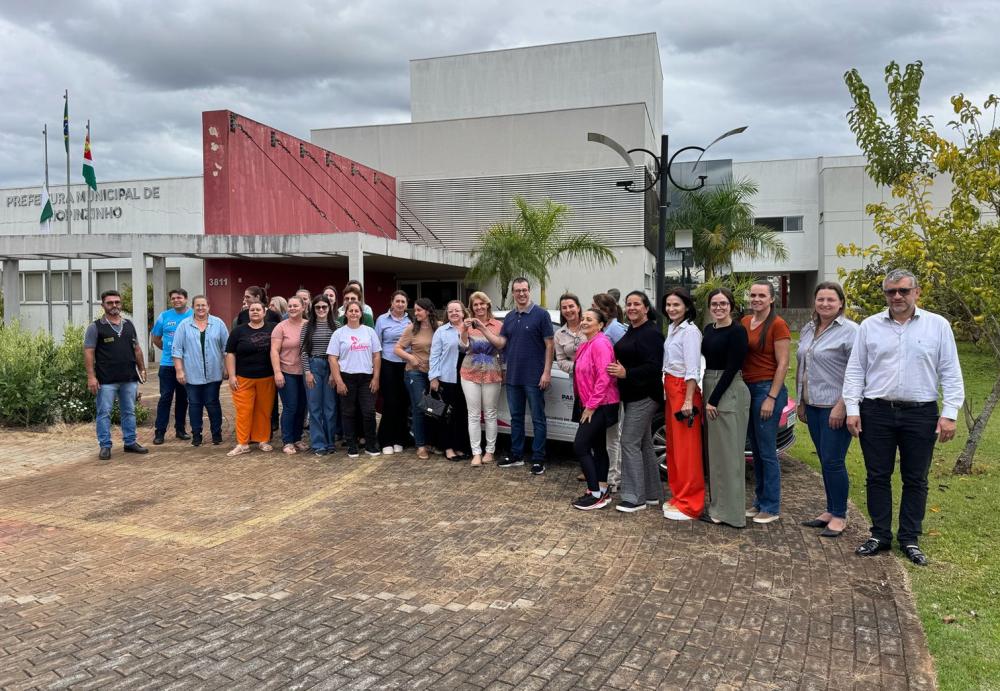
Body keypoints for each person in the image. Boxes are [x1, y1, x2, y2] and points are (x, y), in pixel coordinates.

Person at [844, 269, 964, 566]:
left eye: (903, 291)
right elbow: (856, 370)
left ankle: (909, 538)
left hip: (920, 413)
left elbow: (950, 371)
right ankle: (880, 535)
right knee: (877, 475)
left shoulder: (938, 326)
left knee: (916, 478)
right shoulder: (869, 326)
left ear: (917, 292)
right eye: (891, 291)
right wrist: (852, 408)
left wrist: (950, 413)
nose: (897, 296)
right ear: (885, 294)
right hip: (877, 411)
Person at [796, 282, 859, 538]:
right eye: (820, 299)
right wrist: (800, 401)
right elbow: (802, 367)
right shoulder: (809, 329)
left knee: (833, 461)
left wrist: (842, 406)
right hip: (812, 405)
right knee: (824, 460)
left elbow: (857, 372)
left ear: (841, 303)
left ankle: (840, 516)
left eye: (830, 300)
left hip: (835, 407)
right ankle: (830, 509)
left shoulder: (852, 331)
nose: (825, 304)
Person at [481, 278, 554, 475]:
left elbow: (549, 345)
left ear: (529, 291)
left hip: (535, 376)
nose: (521, 294)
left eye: (524, 290)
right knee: (516, 418)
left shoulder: (541, 314)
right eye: (517, 291)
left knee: (538, 419)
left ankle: (538, 458)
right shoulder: (510, 317)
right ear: (513, 293)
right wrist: (482, 329)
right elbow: (501, 343)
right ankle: (517, 455)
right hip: (513, 376)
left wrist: (546, 372)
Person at [608, 291, 665, 512]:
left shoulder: (651, 333)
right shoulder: (632, 330)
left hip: (645, 395)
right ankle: (651, 494)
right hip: (631, 396)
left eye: (636, 304)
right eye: (629, 304)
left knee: (628, 442)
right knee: (643, 444)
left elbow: (653, 367)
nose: (632, 308)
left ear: (646, 308)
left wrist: (626, 373)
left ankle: (634, 497)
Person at [742, 278, 791, 524]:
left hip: (766, 389)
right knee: (756, 451)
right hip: (747, 389)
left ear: (772, 299)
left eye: (762, 296)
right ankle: (759, 501)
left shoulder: (778, 325)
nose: (756, 300)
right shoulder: (744, 322)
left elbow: (783, 363)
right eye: (753, 295)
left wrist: (771, 396)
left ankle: (771, 506)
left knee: (767, 451)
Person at [701, 288, 751, 528]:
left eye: (723, 303)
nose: (718, 307)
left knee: (730, 455)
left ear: (731, 305)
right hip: (710, 384)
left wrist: (713, 399)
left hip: (727, 390)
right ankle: (718, 507)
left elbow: (732, 368)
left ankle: (731, 514)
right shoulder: (708, 330)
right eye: (714, 303)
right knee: (717, 454)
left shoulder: (737, 331)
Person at [83, 290, 149, 460]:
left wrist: (142, 368)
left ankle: (130, 442)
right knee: (104, 412)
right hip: (106, 380)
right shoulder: (95, 327)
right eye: (110, 302)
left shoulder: (128, 325)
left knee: (129, 411)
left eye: (117, 302)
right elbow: (89, 352)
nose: (114, 306)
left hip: (129, 378)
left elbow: (137, 349)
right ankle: (105, 445)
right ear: (103, 305)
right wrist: (91, 377)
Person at [661, 288, 705, 521]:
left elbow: (692, 369)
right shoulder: (672, 329)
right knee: (675, 448)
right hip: (671, 388)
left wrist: (688, 399)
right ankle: (679, 495)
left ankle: (692, 503)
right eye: (668, 305)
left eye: (676, 305)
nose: (671, 309)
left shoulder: (690, 332)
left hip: (683, 391)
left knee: (688, 450)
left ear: (687, 307)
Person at [570, 308, 620, 510]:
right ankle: (601, 488)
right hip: (590, 402)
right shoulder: (586, 344)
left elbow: (605, 377)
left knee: (580, 445)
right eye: (583, 319)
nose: (584, 322)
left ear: (600, 325)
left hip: (601, 403)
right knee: (598, 446)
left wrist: (590, 406)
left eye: (589, 319)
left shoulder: (601, 343)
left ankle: (595, 493)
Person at [172, 295, 229, 447]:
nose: (201, 308)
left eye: (203, 305)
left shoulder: (218, 324)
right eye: (197, 305)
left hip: (214, 373)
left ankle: (217, 434)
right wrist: (179, 371)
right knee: (195, 404)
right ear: (193, 307)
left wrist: (227, 368)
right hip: (192, 373)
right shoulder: (184, 325)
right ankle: (196, 435)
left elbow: (227, 349)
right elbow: (176, 350)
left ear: (208, 306)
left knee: (212, 403)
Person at [328, 301, 382, 457]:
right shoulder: (339, 333)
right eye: (350, 311)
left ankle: (371, 444)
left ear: (361, 314)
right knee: (348, 412)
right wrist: (339, 381)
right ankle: (352, 445)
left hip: (366, 378)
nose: (353, 313)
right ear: (345, 313)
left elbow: (377, 355)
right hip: (347, 377)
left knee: (369, 412)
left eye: (356, 311)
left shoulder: (369, 332)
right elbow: (332, 358)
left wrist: (376, 378)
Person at [225, 300, 276, 456]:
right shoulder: (238, 331)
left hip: (267, 377)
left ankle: (262, 440)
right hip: (243, 377)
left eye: (258, 309)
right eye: (252, 309)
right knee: (243, 411)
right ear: (248, 312)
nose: (255, 312)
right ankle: (242, 443)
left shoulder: (273, 329)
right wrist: (232, 375)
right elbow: (230, 353)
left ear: (264, 312)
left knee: (264, 410)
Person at [459, 292, 503, 466]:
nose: (479, 307)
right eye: (475, 305)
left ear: (487, 305)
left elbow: (501, 346)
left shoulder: (498, 325)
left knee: (491, 413)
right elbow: (463, 348)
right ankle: (476, 452)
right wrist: (463, 330)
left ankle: (490, 451)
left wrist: (483, 328)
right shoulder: (467, 325)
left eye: (481, 304)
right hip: (470, 372)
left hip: (492, 371)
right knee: (473, 415)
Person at [396, 298, 438, 460]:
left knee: (433, 409)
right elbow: (397, 349)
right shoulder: (411, 329)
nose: (416, 313)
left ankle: (431, 441)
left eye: (419, 310)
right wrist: (410, 358)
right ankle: (420, 445)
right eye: (415, 310)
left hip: (433, 374)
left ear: (428, 311)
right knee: (420, 407)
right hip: (415, 373)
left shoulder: (438, 327)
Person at [592, 292, 625, 493]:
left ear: (605, 310)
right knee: (605, 436)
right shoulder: (606, 329)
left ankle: (614, 477)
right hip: (603, 390)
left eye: (594, 306)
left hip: (612, 391)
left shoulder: (616, 330)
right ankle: (607, 474)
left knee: (613, 436)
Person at [151, 288, 193, 445]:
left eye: (180, 298)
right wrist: (170, 351)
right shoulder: (164, 316)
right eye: (173, 298)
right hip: (167, 365)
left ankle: (180, 430)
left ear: (186, 299)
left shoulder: (193, 315)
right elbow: (155, 338)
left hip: (187, 365)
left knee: (183, 399)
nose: (176, 300)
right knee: (165, 398)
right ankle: (160, 432)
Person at [429, 300, 469, 460]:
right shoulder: (441, 331)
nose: (454, 313)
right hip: (447, 378)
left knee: (461, 414)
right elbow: (434, 355)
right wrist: (433, 377)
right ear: (447, 314)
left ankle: (459, 446)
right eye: (450, 311)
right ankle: (448, 448)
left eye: (457, 310)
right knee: (446, 415)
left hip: (467, 379)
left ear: (463, 312)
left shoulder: (471, 328)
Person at [375, 291, 412, 454]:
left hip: (406, 365)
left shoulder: (411, 320)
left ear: (406, 303)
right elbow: (376, 344)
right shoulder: (382, 320)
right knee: (390, 402)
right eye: (397, 301)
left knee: (403, 403)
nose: (400, 304)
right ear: (391, 302)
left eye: (403, 301)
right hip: (388, 364)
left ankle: (399, 438)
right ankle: (385, 439)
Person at [301, 295, 339, 456]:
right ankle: (318, 444)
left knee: (330, 407)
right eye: (318, 307)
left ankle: (330, 442)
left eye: (324, 306)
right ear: (313, 309)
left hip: (330, 366)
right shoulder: (307, 326)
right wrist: (307, 372)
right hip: (313, 365)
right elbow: (303, 351)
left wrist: (333, 373)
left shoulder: (336, 325)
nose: (321, 310)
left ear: (330, 308)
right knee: (315, 407)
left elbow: (339, 352)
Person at [271, 295, 309, 454]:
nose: (292, 308)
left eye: (296, 306)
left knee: (302, 407)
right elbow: (274, 350)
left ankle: (297, 437)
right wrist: (277, 372)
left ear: (303, 308)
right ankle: (287, 441)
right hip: (287, 372)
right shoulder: (281, 327)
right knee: (290, 406)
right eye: (290, 306)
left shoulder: (309, 325)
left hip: (306, 373)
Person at [554, 293, 586, 375]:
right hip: (574, 379)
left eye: (571, 306)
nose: (568, 310)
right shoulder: (559, 334)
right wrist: (578, 366)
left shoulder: (589, 327)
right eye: (564, 308)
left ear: (578, 308)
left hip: (594, 377)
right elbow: (561, 361)